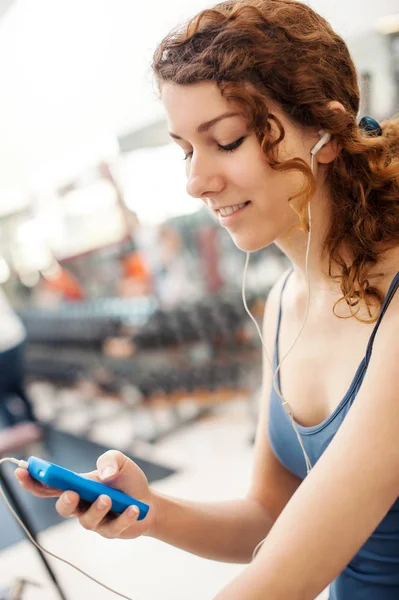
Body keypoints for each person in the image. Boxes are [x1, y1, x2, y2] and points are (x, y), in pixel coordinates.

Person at [15, 1, 399, 598]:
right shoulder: (283, 305)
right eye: (186, 149)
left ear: (324, 129)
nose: (196, 181)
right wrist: (151, 511)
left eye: (227, 140)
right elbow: (270, 518)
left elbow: (279, 581)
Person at [0, 287, 37, 426]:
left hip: (7, 343)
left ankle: (21, 428)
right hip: (13, 338)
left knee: (7, 392)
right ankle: (30, 423)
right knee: (17, 388)